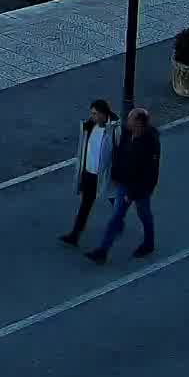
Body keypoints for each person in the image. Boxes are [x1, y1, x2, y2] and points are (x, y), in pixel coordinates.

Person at [88, 108, 160, 264]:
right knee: (116, 217)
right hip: (124, 183)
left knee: (143, 214)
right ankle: (103, 251)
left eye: (130, 119)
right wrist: (115, 175)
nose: (127, 121)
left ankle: (148, 243)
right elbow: (120, 154)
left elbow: (149, 174)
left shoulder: (150, 144)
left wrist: (133, 193)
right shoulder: (129, 134)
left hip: (139, 189)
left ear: (139, 123)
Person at [60, 100, 119, 246]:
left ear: (103, 114)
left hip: (104, 174)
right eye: (91, 113)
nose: (92, 116)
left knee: (113, 198)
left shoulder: (114, 129)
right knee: (86, 204)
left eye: (94, 114)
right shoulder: (90, 126)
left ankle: (119, 220)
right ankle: (75, 235)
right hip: (89, 173)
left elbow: (118, 152)